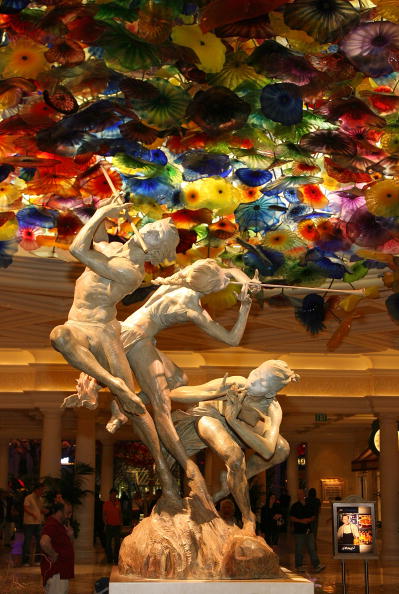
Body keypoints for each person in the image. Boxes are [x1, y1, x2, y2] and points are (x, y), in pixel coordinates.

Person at [65, 258, 259, 510]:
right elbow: (232, 340)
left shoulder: (176, 283)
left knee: (179, 379)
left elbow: (229, 270)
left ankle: (121, 410)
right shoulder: (192, 309)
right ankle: (176, 459)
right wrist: (245, 306)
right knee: (163, 406)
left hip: (129, 333)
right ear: (209, 289)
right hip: (137, 341)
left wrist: (246, 282)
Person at [50, 201, 181, 503]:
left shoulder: (130, 272)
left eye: (156, 234)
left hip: (104, 332)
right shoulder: (113, 250)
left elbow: (78, 250)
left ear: (154, 252)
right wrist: (105, 209)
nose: (150, 228)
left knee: (134, 406)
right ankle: (114, 382)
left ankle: (162, 467)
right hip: (78, 324)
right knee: (59, 336)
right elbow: (97, 238)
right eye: (153, 226)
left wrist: (100, 215)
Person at [164, 359, 298, 534]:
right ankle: (246, 510)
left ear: (270, 393)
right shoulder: (236, 383)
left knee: (282, 449)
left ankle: (245, 513)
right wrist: (213, 393)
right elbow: (177, 395)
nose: (254, 380)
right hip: (211, 417)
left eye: (263, 382)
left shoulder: (273, 409)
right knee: (235, 457)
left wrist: (233, 421)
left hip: (237, 425)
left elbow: (267, 451)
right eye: (256, 372)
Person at [40, 501, 74, 593]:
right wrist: (53, 554)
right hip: (56, 574)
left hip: (61, 573)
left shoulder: (59, 525)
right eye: (68, 513)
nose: (69, 516)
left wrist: (70, 536)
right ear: (59, 512)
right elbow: (44, 542)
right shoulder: (52, 524)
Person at [289, 489, 325, 573]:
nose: (300, 495)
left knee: (312, 548)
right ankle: (299, 565)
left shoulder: (308, 505)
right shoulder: (294, 506)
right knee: (299, 548)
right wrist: (301, 521)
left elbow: (313, 516)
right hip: (299, 531)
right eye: (298, 494)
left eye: (301, 494)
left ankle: (316, 564)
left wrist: (308, 520)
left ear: (304, 495)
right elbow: (291, 517)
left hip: (309, 530)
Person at [22, 483, 45, 566]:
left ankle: (37, 560)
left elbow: (40, 509)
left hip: (38, 523)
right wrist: (33, 514)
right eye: (41, 490)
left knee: (39, 541)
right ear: (37, 490)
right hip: (29, 523)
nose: (42, 492)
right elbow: (25, 507)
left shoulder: (41, 499)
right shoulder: (28, 497)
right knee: (27, 541)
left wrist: (44, 511)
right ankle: (25, 561)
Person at [103, 488, 122, 565]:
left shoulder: (118, 503)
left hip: (117, 525)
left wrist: (121, 522)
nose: (114, 496)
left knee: (117, 543)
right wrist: (105, 524)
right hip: (109, 525)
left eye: (115, 494)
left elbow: (120, 513)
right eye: (112, 494)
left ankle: (116, 558)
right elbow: (104, 515)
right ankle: (110, 558)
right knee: (108, 543)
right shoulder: (106, 504)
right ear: (110, 495)